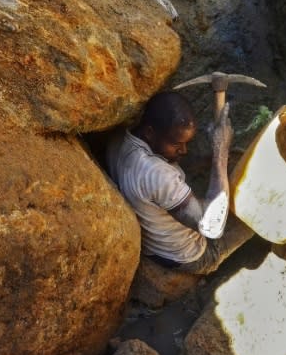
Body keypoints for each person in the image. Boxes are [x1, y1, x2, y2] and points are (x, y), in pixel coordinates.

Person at [105, 91, 254, 275]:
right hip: (188, 255)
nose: (183, 150)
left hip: (156, 243)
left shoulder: (120, 139)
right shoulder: (157, 174)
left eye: (186, 143)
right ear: (150, 132)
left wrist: (207, 161)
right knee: (257, 211)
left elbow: (162, 177)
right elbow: (212, 227)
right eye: (176, 144)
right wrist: (220, 154)